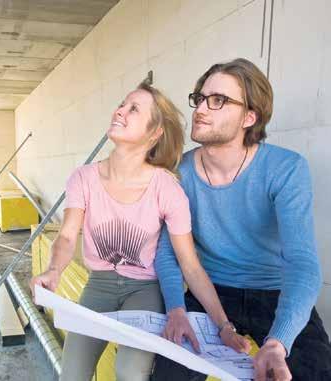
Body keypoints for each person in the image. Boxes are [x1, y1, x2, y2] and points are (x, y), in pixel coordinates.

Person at [30, 83, 250, 381]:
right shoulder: (83, 177)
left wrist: (224, 326)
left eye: (133, 108)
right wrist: (54, 270)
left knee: (130, 371)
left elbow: (190, 265)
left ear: (154, 132)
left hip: (145, 291)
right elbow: (68, 235)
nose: (119, 110)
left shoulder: (167, 188)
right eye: (122, 104)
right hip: (99, 286)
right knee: (72, 373)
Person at [152, 58, 331, 381]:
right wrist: (176, 308)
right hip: (210, 291)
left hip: (275, 292)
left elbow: (302, 262)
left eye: (218, 100)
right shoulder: (180, 172)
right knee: (168, 374)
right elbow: (168, 252)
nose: (201, 109)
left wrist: (279, 341)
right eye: (201, 98)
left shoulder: (286, 168)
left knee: (315, 371)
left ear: (250, 117)